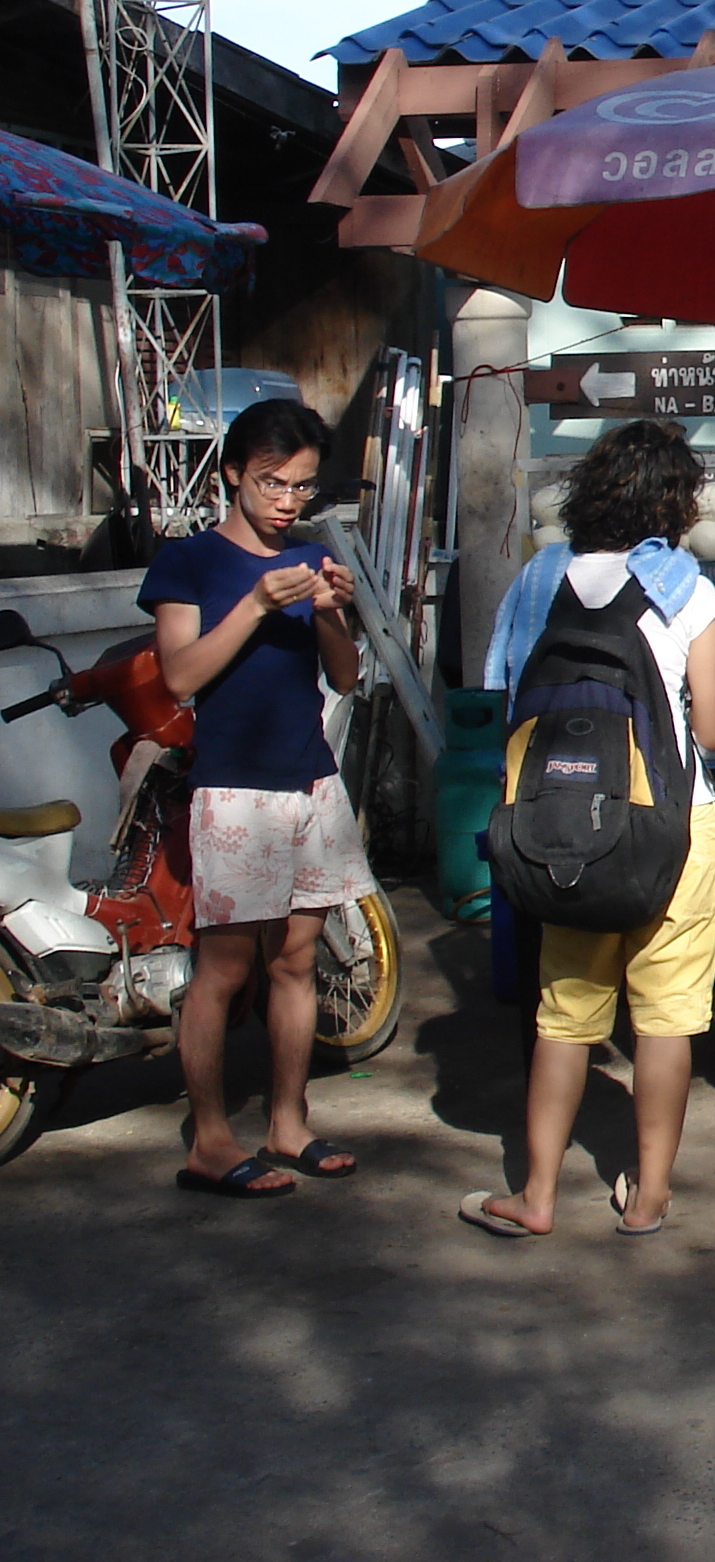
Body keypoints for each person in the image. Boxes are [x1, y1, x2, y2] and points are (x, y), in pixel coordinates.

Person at [461, 419, 715, 1239]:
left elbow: (501, 692)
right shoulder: (682, 582)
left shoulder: (538, 577)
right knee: (667, 1018)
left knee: (564, 1016)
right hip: (674, 826)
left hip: (561, 826)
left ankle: (536, 1195)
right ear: (674, 504)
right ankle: (647, 1197)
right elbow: (713, 728)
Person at [140, 399, 368, 1198]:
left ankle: (288, 1120)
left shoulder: (305, 558)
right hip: (235, 789)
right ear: (234, 472)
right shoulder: (191, 561)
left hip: (311, 778)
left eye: (302, 486)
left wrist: (334, 611)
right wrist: (257, 604)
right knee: (224, 969)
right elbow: (181, 676)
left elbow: (344, 677)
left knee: (298, 961)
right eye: (273, 481)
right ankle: (207, 1141)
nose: (287, 500)